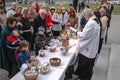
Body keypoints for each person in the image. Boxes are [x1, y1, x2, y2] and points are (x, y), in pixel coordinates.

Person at [74, 8, 100, 80]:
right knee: (88, 67)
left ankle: (83, 78)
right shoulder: (95, 20)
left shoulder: (91, 23)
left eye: (84, 15)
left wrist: (77, 33)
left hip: (88, 50)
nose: (84, 17)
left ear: (86, 15)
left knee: (85, 67)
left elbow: (85, 35)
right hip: (92, 46)